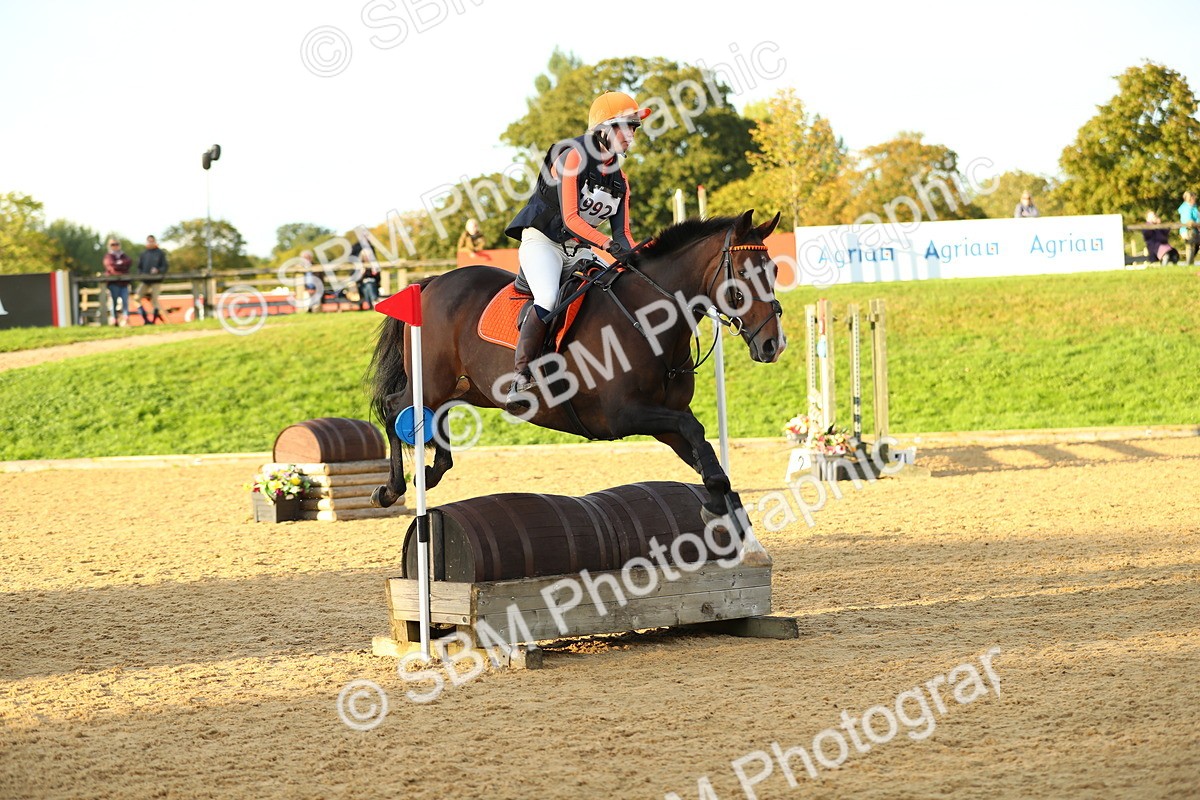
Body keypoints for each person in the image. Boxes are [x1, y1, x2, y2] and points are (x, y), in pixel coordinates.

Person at [502, 90, 650, 409]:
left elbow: (622, 234)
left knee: (616, 290)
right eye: (626, 126)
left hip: (580, 249)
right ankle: (521, 375)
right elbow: (570, 219)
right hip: (543, 241)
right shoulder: (574, 156)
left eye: (635, 127)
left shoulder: (620, 180)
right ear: (603, 130)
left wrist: (641, 260)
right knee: (548, 298)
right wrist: (608, 246)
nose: (632, 134)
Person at [134, 234, 169, 324]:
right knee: (136, 298)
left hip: (156, 281)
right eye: (149, 241)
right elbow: (139, 267)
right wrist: (141, 274)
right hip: (145, 280)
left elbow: (165, 266)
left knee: (155, 301)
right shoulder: (144, 254)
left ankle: (154, 320)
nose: (150, 243)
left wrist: (158, 270)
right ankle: (145, 318)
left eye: (152, 241)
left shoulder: (160, 253)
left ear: (155, 242)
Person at [103, 238, 133, 326]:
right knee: (113, 301)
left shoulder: (124, 255)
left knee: (125, 301)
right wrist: (121, 267)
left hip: (124, 283)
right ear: (109, 246)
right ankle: (114, 319)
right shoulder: (108, 256)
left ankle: (125, 318)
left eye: (116, 244)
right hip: (113, 283)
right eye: (113, 244)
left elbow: (128, 262)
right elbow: (112, 267)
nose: (115, 246)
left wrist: (119, 265)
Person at [351, 241, 380, 310]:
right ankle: (374, 302)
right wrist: (362, 274)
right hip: (362, 286)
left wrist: (375, 273)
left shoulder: (374, 266)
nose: (367, 258)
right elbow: (356, 280)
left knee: (369, 285)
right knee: (368, 285)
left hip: (373, 285)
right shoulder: (358, 267)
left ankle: (370, 304)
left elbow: (378, 279)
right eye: (365, 256)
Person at [1178, 191, 1200, 265]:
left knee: (1194, 246)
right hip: (1189, 230)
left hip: (1195, 230)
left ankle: (1190, 263)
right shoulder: (1186, 208)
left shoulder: (1193, 207)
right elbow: (1188, 221)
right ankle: (1189, 263)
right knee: (1190, 247)